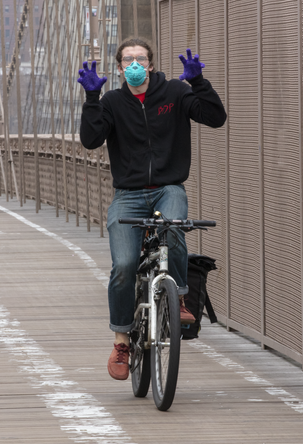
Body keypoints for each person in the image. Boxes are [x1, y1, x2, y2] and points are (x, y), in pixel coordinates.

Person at [78, 38, 227, 380]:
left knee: (173, 228)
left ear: (151, 64)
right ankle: (121, 341)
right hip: (127, 194)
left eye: (140, 59)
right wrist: (91, 99)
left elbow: (215, 118)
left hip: (167, 187)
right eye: (127, 60)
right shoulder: (113, 102)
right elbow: (90, 140)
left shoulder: (174, 92)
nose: (134, 64)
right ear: (119, 68)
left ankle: (182, 300)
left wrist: (198, 83)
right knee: (125, 265)